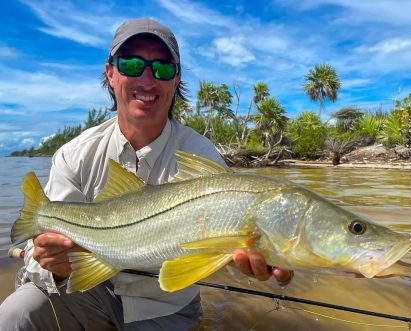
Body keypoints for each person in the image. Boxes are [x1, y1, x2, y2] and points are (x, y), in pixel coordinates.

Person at [0, 18, 292, 330]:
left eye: (163, 68)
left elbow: (221, 254)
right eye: (131, 64)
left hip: (165, 304)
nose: (148, 80)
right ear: (110, 73)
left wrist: (277, 262)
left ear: (176, 79)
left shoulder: (201, 156)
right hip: (89, 290)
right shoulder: (74, 155)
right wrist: (53, 265)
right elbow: (39, 259)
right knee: (17, 313)